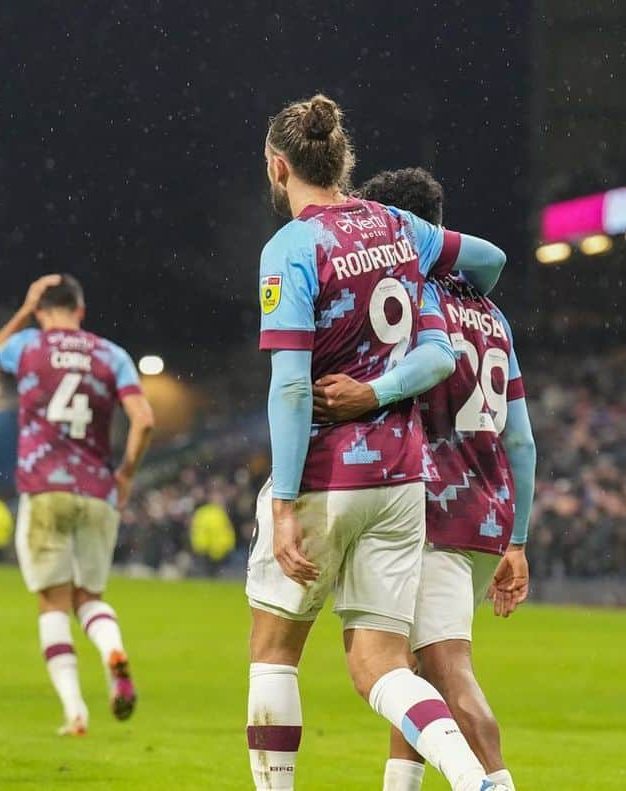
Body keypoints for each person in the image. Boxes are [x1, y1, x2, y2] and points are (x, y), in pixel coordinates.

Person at [247, 95, 512, 791]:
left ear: (280, 167)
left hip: (325, 471)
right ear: (343, 160)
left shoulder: (292, 247)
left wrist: (281, 499)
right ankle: (474, 777)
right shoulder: (402, 227)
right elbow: (486, 260)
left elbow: (291, 387)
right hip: (400, 480)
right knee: (382, 664)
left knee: (274, 654)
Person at [312, 168, 536, 791]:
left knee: (441, 668)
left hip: (435, 501)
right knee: (411, 671)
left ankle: (493, 782)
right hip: (487, 511)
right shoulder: (492, 315)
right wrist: (517, 538)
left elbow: (419, 372)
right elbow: (521, 438)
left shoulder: (419, 301)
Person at [0, 274, 155, 736]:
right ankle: (112, 651)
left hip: (44, 489)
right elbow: (145, 420)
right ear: (81, 310)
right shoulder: (111, 354)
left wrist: (23, 308)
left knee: (52, 602)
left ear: (42, 311)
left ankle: (75, 711)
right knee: (89, 599)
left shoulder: (30, 346)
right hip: (97, 491)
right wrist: (126, 474)